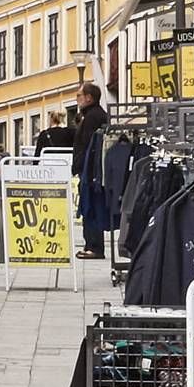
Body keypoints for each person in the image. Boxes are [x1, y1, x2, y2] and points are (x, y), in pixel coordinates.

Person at [72, 82, 109, 260]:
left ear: (89, 98)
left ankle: (94, 246)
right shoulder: (93, 115)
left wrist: (81, 166)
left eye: (79, 95)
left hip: (91, 171)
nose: (77, 98)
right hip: (91, 169)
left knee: (90, 207)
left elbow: (88, 145)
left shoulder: (93, 117)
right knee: (90, 207)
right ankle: (91, 245)